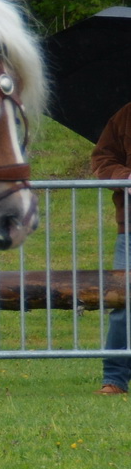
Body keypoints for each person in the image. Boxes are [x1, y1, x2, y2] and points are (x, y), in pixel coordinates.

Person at [90, 101, 131, 395]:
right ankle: (114, 378)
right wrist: (124, 177)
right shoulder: (125, 116)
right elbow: (102, 159)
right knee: (123, 303)